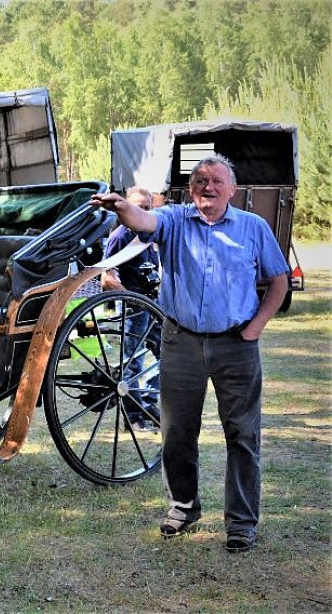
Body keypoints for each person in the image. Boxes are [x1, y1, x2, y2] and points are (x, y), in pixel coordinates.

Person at [89, 154, 289, 554]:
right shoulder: (176, 220)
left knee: (242, 434)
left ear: (232, 189)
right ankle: (183, 507)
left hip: (237, 345)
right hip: (181, 341)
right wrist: (122, 206)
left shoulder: (253, 227)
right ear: (190, 189)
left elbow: (278, 280)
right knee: (177, 431)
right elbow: (144, 221)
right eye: (200, 181)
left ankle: (241, 523)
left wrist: (255, 328)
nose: (207, 187)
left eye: (216, 181)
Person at [101, 187, 162, 432]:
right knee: (133, 363)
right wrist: (129, 296)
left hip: (154, 305)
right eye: (138, 207)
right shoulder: (120, 237)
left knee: (168, 356)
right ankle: (134, 416)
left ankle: (148, 403)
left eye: (147, 208)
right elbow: (107, 277)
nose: (143, 212)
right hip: (134, 308)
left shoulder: (149, 233)